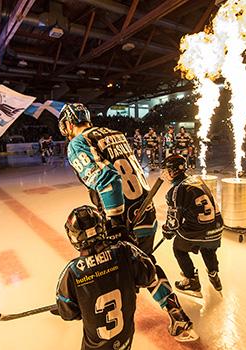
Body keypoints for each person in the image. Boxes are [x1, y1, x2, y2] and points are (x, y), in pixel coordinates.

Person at [58, 103, 198, 342]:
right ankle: (177, 314)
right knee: (145, 265)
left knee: (106, 266)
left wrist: (115, 224)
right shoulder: (116, 134)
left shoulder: (77, 143)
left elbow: (108, 179)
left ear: (69, 124)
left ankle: (91, 307)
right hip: (146, 209)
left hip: (121, 216)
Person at [55, 205, 157, 350]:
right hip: (125, 341)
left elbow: (68, 313)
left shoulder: (72, 272)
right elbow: (148, 276)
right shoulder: (125, 250)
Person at [161, 155, 224, 298]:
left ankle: (191, 281)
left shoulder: (176, 190)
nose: (165, 172)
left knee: (178, 249)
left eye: (167, 169)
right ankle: (214, 274)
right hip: (217, 227)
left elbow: (174, 222)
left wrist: (167, 231)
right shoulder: (196, 179)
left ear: (174, 171)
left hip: (199, 230)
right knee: (207, 248)